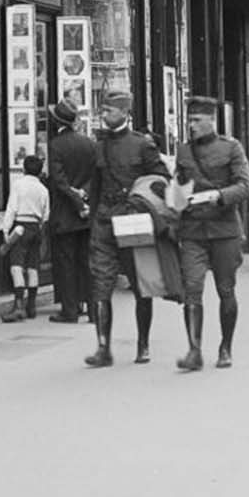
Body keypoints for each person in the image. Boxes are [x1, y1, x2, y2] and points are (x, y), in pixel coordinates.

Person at [85, 91, 170, 368]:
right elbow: (95, 187)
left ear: (124, 112)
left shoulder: (142, 145)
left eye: (109, 110)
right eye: (104, 110)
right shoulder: (97, 147)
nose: (105, 115)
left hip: (134, 218)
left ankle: (143, 345)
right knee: (101, 284)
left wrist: (142, 199)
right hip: (105, 221)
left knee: (140, 284)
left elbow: (161, 181)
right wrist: (93, 220)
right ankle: (102, 348)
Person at [173, 97, 249, 370]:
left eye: (197, 120)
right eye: (190, 120)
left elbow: (245, 186)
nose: (192, 126)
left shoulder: (231, 148)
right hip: (193, 230)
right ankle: (194, 350)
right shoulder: (183, 151)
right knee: (192, 290)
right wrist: (174, 197)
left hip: (224, 230)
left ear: (212, 121)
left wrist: (218, 196)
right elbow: (179, 186)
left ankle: (225, 347)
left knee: (225, 289)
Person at [45, 98, 98, 324]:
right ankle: (94, 309)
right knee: (86, 262)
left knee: (65, 263)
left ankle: (70, 309)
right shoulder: (89, 143)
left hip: (65, 213)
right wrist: (84, 197)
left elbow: (59, 181)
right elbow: (95, 175)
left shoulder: (55, 145)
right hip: (86, 214)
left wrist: (75, 200)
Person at [0, 154, 50, 321]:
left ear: (24, 169)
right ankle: (32, 307)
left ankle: (18, 306)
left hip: (20, 227)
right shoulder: (43, 189)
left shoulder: (19, 185)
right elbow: (46, 214)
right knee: (33, 267)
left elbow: (12, 208)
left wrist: (6, 230)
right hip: (36, 227)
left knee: (16, 267)